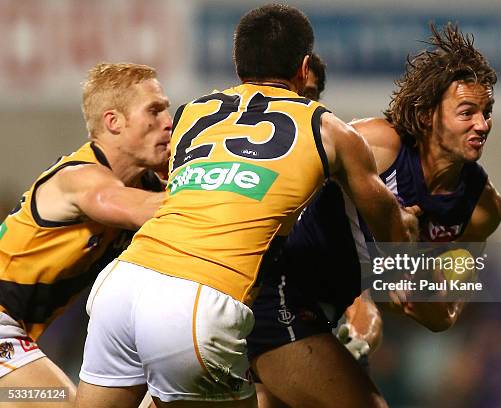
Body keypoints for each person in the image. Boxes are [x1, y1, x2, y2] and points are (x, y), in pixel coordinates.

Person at [76, 4, 419, 408]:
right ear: (305, 67)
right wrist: (407, 226)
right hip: (199, 300)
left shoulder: (192, 113)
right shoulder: (329, 129)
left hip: (124, 283)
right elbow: (389, 227)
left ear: (238, 67)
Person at [247, 22, 501, 408]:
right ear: (427, 115)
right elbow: (280, 189)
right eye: (467, 112)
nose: (482, 125)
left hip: (327, 319)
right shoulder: (377, 144)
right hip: (279, 295)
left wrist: (417, 286)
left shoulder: (483, 209)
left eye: (487, 112)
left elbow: (446, 314)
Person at [0, 62, 171, 405]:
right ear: (113, 122)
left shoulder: (148, 184)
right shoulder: (78, 178)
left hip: (19, 331)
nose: (168, 122)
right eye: (154, 111)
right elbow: (130, 205)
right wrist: (220, 183)